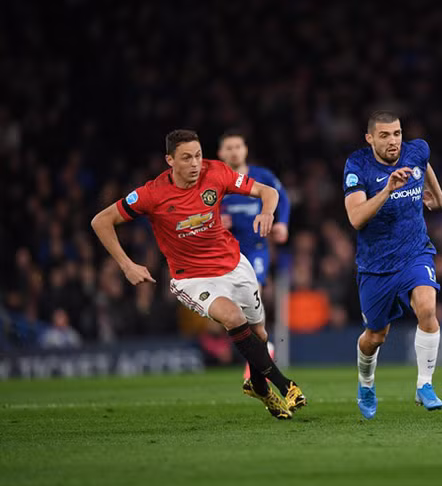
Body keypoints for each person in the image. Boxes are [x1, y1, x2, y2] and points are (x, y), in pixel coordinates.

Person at [90, 129, 306, 419]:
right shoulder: (151, 194)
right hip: (192, 278)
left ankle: (259, 388)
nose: (195, 164)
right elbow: (101, 221)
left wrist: (267, 212)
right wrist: (127, 265)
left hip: (234, 264)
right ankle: (285, 385)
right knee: (232, 317)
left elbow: (268, 191)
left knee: (259, 334)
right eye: (187, 158)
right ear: (170, 160)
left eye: (198, 156)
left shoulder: (216, 172)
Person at [343, 110, 442, 419]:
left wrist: (439, 198)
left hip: (415, 252)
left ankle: (424, 385)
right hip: (376, 265)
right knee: (375, 336)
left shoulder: (417, 150)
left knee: (427, 308)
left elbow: (423, 164)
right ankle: (366, 382)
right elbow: (356, 218)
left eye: (397, 134)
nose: (393, 141)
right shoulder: (357, 165)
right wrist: (387, 190)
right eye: (385, 135)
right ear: (370, 138)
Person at [218, 130, 290, 377]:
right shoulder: (215, 181)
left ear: (245, 149)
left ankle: (263, 348)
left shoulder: (261, 176)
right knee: (231, 305)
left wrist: (283, 223)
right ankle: (256, 348)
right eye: (229, 147)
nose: (234, 151)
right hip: (226, 252)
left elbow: (283, 198)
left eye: (238, 146)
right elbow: (201, 211)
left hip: (256, 249)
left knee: (253, 293)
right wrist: (215, 220)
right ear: (220, 153)